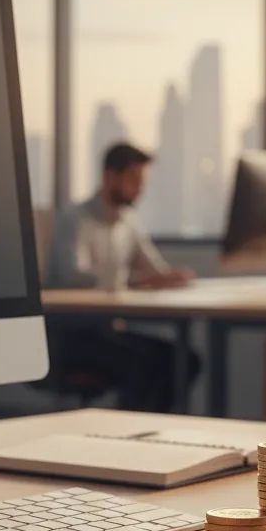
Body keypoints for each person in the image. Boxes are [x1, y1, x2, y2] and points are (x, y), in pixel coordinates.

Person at [46, 142, 199, 412]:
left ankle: (155, 433)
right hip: (72, 336)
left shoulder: (129, 222)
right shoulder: (75, 218)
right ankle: (131, 438)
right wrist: (132, 280)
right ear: (109, 177)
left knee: (185, 360)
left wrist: (171, 277)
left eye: (142, 181)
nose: (140, 189)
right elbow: (73, 276)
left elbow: (154, 270)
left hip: (109, 330)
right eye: (133, 180)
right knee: (143, 363)